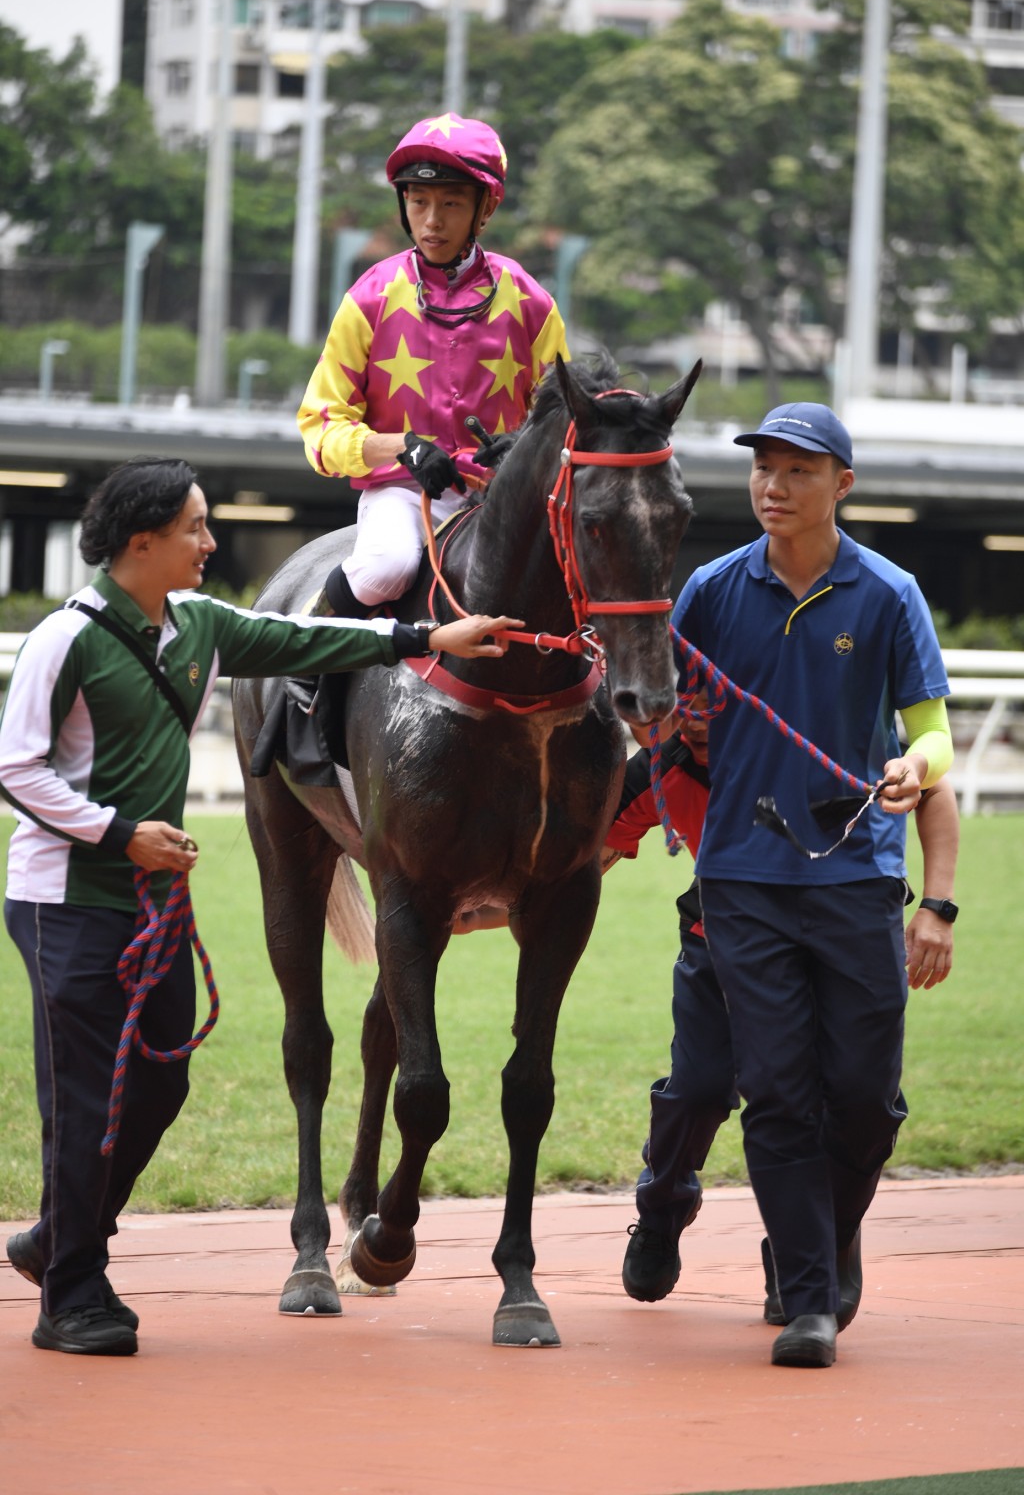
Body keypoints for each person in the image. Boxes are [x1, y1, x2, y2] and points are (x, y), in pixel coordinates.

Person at [0, 456, 520, 1358]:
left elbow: (308, 643)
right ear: (141, 541)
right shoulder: (65, 638)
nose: (210, 543)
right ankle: (73, 1292)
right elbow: (16, 768)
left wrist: (429, 640)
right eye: (197, 529)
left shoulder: (199, 624)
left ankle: (57, 1238)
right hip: (65, 901)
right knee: (84, 1100)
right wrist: (119, 833)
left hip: (154, 901)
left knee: (159, 1085)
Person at [670, 402, 953, 1369]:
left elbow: (933, 730)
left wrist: (918, 767)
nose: (773, 488)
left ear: (843, 484)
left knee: (867, 1100)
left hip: (859, 880)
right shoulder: (708, 589)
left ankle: (822, 1238)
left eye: (798, 471)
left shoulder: (888, 592)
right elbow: (645, 695)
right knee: (779, 1092)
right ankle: (808, 1298)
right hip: (741, 880)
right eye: (763, 470)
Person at [616, 715, 960, 1312]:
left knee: (855, 1099)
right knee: (697, 1090)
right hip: (719, 938)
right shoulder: (657, 767)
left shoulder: (817, 731)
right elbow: (578, 858)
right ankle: (662, 1210)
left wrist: (937, 906)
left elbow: (932, 787)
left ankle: (814, 1243)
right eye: (677, 707)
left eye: (705, 706)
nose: (691, 721)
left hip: (840, 933)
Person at [297, 113, 567, 622]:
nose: (432, 221)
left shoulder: (530, 301)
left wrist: (528, 445)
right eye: (418, 202)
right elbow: (320, 429)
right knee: (386, 569)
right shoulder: (369, 297)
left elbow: (567, 419)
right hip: (403, 494)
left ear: (484, 208)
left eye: (451, 203)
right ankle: (306, 664)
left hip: (502, 498)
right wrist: (401, 447)